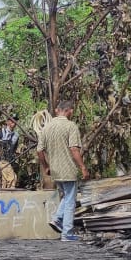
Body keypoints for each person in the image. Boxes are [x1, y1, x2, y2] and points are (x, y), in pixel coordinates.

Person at [37, 100, 89, 242]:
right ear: (69, 111)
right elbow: (74, 149)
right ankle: (66, 233)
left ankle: (57, 220)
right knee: (70, 200)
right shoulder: (70, 126)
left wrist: (46, 166)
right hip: (68, 170)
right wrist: (83, 167)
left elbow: (39, 150)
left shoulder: (46, 128)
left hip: (55, 171)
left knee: (66, 197)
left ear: (56, 110)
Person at [0, 115, 20, 189]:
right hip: (1, 159)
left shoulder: (16, 135)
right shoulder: (1, 132)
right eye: (12, 120)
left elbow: (14, 149)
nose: (14, 122)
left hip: (10, 160)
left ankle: (5, 197)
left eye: (15, 121)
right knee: (12, 178)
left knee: (5, 181)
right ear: (7, 122)